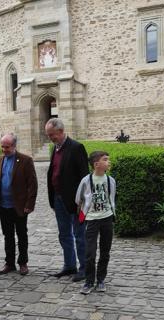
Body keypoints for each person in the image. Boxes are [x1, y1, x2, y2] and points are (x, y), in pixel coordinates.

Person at [45, 118, 89, 282]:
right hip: (58, 199)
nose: (50, 138)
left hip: (75, 201)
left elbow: (85, 177)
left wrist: (82, 201)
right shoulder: (54, 149)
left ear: (61, 131)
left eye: (52, 135)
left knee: (79, 235)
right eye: (48, 135)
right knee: (64, 234)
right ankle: (69, 265)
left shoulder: (76, 148)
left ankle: (84, 268)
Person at [0, 133, 38, 276]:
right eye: (2, 146)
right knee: (8, 236)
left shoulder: (25, 160)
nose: (4, 149)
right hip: (3, 206)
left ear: (14, 146)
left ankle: (23, 262)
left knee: (22, 234)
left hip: (19, 206)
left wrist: (29, 204)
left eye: (7, 147)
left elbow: (33, 184)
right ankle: (9, 263)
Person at [75, 151, 116, 294]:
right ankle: (89, 281)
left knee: (105, 252)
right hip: (92, 220)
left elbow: (112, 198)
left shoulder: (111, 180)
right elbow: (78, 199)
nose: (108, 162)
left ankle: (100, 280)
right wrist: (86, 211)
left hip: (107, 218)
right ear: (96, 164)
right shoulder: (86, 181)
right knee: (90, 253)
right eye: (105, 160)